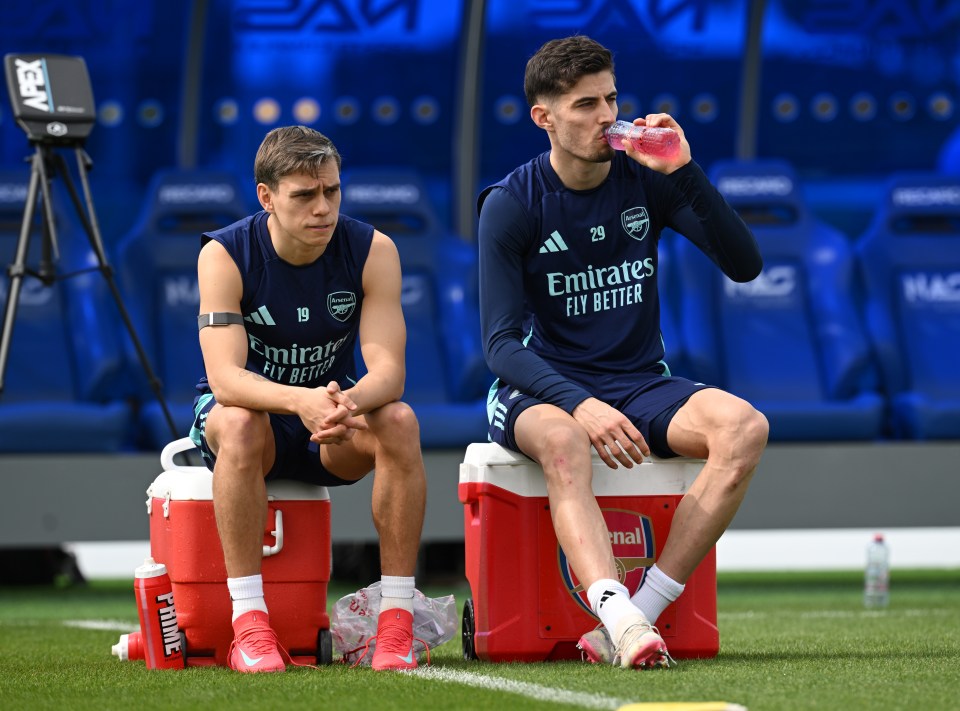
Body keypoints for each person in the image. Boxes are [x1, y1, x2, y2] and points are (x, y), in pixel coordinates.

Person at [477, 35, 768, 670]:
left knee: (744, 428)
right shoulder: (510, 203)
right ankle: (617, 613)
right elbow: (499, 347)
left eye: (611, 99)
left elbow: (745, 266)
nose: (607, 116)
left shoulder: (649, 180)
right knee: (564, 442)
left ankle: (641, 615)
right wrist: (579, 404)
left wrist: (685, 170)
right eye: (585, 105)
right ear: (544, 117)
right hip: (542, 385)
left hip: (638, 380)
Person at [190, 125, 426, 673]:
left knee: (399, 419)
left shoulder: (372, 250)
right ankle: (249, 626)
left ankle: (395, 622)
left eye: (332, 192)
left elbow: (388, 372)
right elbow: (225, 380)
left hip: (332, 422)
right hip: (253, 422)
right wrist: (302, 400)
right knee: (241, 423)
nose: (323, 209)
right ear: (266, 197)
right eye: (304, 195)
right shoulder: (224, 254)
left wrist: (347, 403)